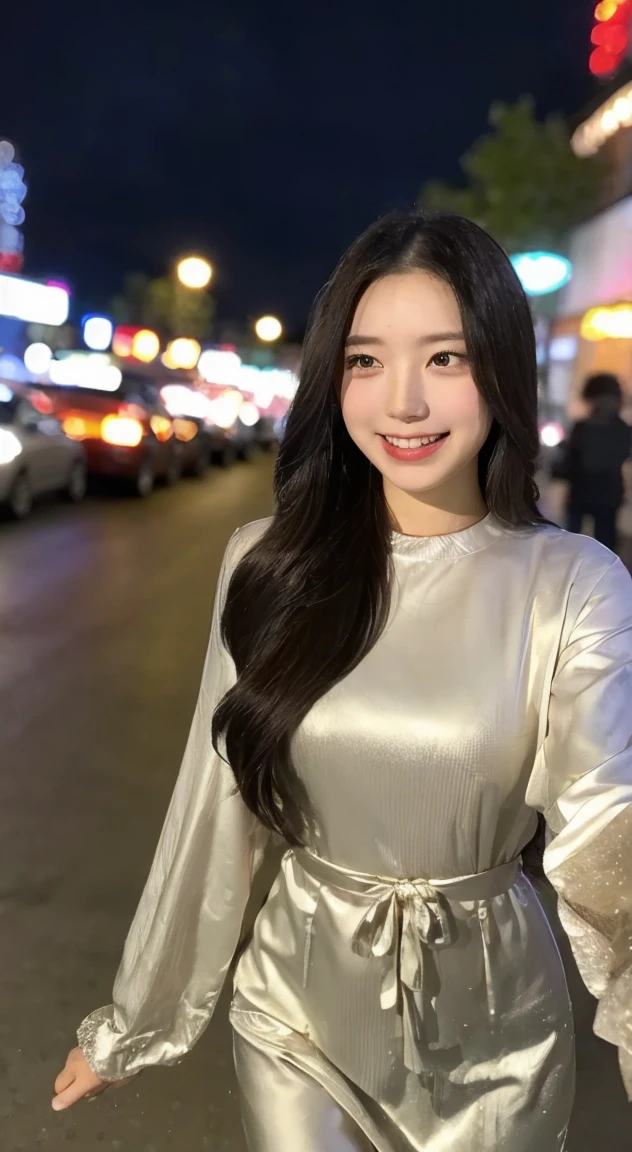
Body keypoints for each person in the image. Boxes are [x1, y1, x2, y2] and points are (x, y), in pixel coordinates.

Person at [53, 212, 632, 1151]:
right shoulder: (268, 563)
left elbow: (611, 828)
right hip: (298, 1012)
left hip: (500, 1033)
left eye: (445, 358)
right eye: (365, 361)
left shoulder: (571, 584)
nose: (402, 401)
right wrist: (136, 1020)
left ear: (503, 369)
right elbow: (215, 806)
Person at [565, 372, 631, 550]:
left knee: (602, 541)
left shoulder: (619, 429)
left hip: (600, 491)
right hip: (593, 489)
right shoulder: (619, 428)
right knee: (576, 541)